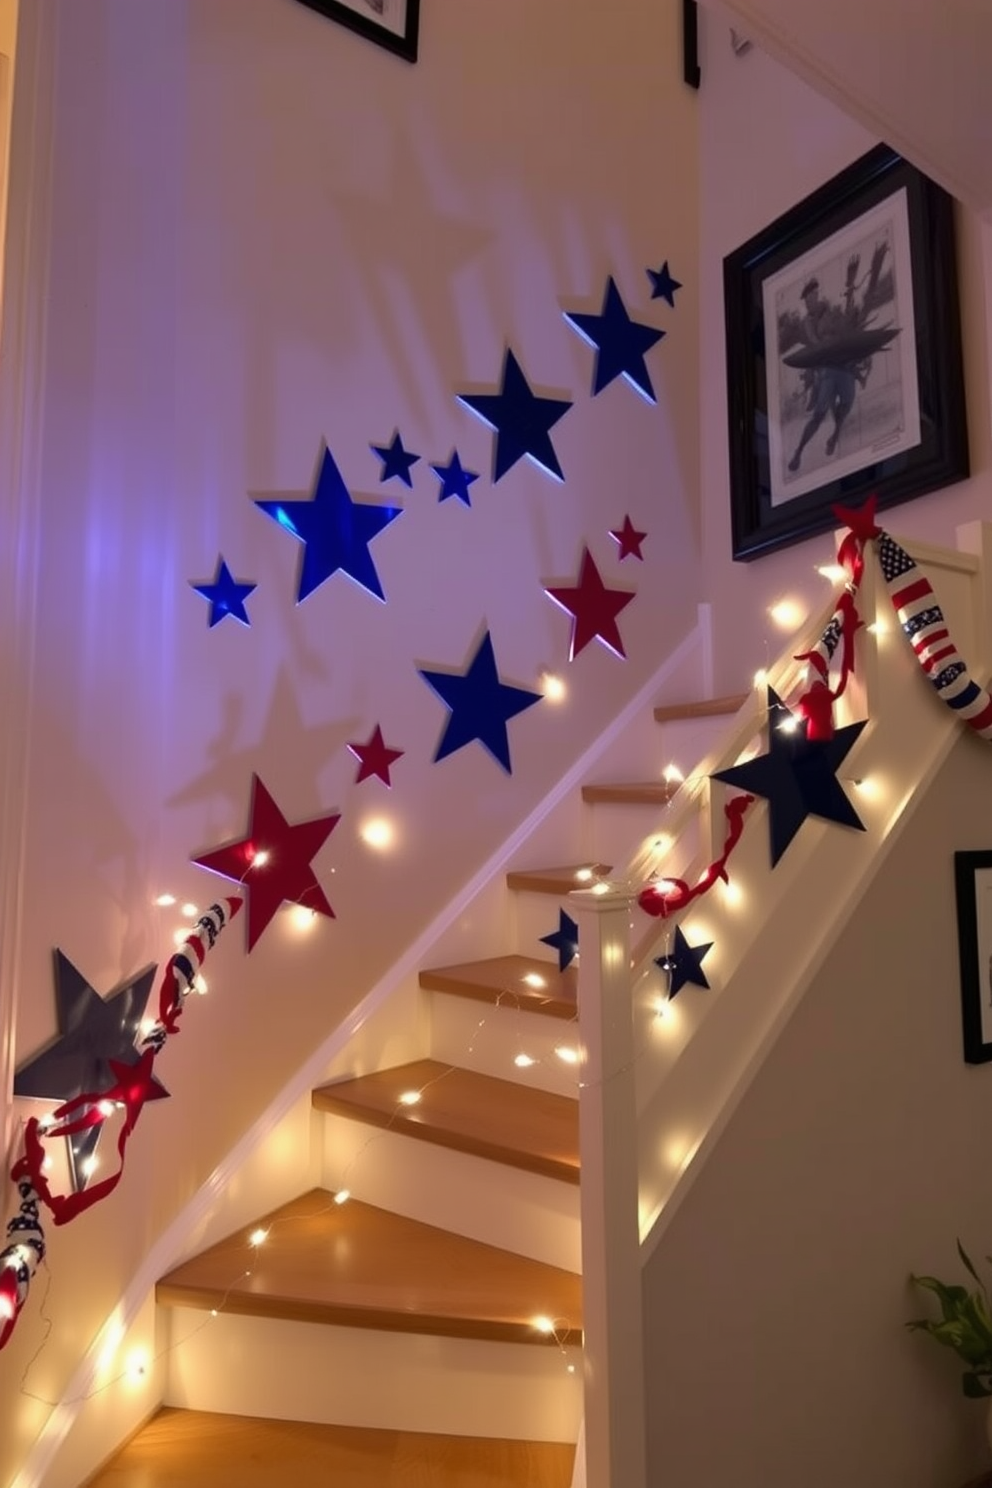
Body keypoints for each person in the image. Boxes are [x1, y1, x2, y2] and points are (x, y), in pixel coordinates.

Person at [786, 274, 866, 474]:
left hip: (843, 366)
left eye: (814, 294)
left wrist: (849, 294)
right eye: (809, 296)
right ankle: (798, 451)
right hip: (828, 370)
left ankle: (836, 434)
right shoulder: (808, 321)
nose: (812, 298)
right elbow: (816, 343)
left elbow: (846, 323)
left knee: (846, 403)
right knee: (819, 415)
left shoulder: (830, 310)